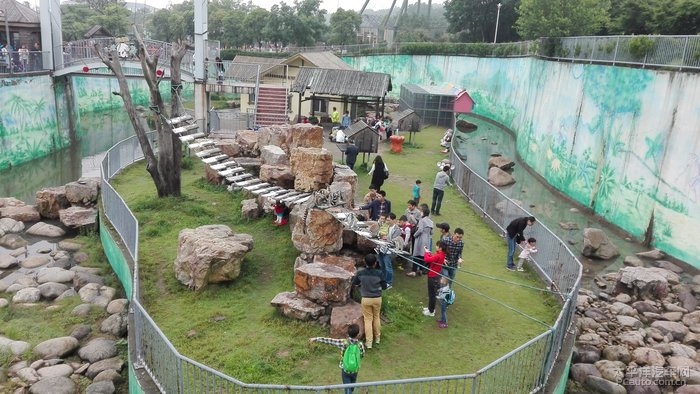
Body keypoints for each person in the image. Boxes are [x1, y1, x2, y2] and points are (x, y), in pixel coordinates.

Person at [310, 324, 366, 394]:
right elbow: (362, 355)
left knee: (347, 387)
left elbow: (329, 341)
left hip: (345, 369)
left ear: (348, 333)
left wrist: (316, 339)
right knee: (352, 386)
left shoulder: (343, 342)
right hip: (355, 370)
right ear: (357, 334)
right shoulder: (360, 344)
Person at [351, 254, 387, 349]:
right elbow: (384, 287)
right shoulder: (379, 273)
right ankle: (378, 338)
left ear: (365, 262)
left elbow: (354, 283)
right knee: (376, 317)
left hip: (366, 299)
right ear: (375, 263)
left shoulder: (361, 273)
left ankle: (369, 343)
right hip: (377, 298)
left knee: (368, 320)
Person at [377, 212, 401, 288]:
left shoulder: (397, 229)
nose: (387, 221)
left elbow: (395, 241)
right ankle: (383, 280)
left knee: (388, 267)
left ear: (394, 220)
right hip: (381, 248)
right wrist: (380, 236)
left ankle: (389, 283)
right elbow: (379, 233)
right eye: (387, 220)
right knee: (382, 265)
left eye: (389, 220)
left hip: (389, 250)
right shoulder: (385, 226)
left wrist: (386, 239)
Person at [422, 240, 445, 317]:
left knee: (432, 295)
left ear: (440, 248)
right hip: (434, 275)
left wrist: (425, 252)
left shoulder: (439, 255)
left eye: (437, 246)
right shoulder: (440, 254)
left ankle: (431, 312)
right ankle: (430, 308)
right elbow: (432, 258)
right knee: (431, 294)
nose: (436, 247)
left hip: (433, 277)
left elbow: (427, 259)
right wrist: (429, 253)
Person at [407, 206, 433, 277]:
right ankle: (421, 270)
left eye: (421, 211)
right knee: (423, 255)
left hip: (420, 239)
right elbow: (431, 232)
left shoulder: (422, 220)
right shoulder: (430, 221)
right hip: (427, 239)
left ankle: (414, 271)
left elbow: (420, 229)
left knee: (416, 254)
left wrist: (415, 235)